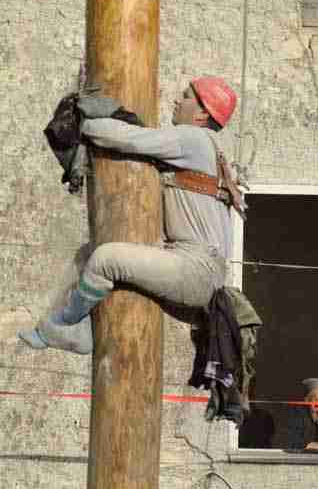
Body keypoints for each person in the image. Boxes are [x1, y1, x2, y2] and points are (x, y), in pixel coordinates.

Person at [18, 76, 239, 352]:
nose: (176, 101)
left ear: (203, 113)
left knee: (105, 259)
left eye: (185, 97)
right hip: (195, 269)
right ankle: (82, 329)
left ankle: (62, 327)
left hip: (196, 272)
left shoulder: (194, 138)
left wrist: (83, 122)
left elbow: (126, 139)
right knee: (89, 253)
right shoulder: (210, 147)